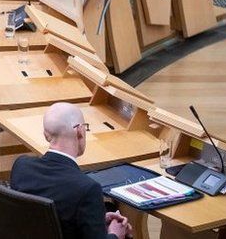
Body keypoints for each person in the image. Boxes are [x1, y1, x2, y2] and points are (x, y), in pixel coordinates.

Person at [11, 102, 134, 239]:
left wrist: (96, 218)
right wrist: (115, 234)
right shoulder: (87, 189)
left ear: (46, 135)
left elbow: (42, 215)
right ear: (79, 131)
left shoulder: (21, 166)